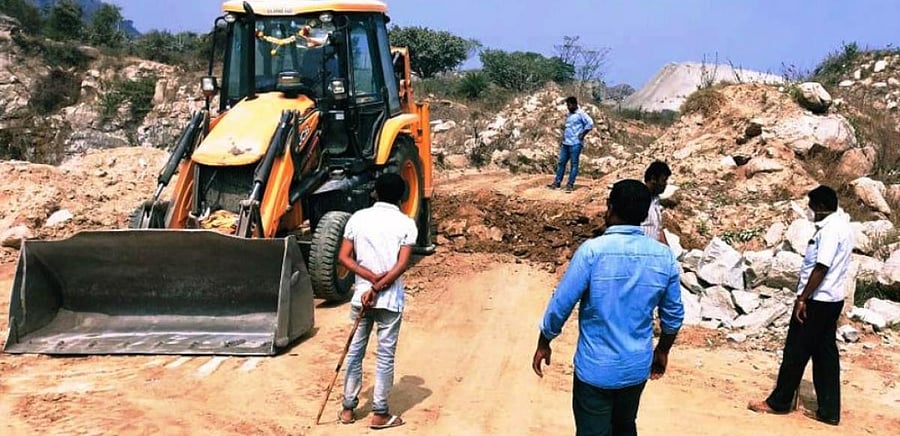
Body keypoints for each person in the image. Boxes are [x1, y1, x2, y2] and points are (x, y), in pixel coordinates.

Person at [532, 179, 684, 435]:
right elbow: (674, 316)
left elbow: (561, 305)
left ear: (610, 208)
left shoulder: (592, 252)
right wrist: (663, 350)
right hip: (636, 368)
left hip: (596, 370)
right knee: (625, 426)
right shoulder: (663, 256)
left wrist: (544, 340)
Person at [748, 186, 853, 426]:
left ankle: (780, 401)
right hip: (832, 300)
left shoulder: (828, 230)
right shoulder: (843, 226)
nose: (810, 210)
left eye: (811, 205)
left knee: (796, 350)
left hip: (817, 300)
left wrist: (803, 298)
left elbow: (821, 266)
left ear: (821, 207)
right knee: (825, 354)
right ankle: (829, 410)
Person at [337, 173, 418, 430]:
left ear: (375, 193)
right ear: (402, 197)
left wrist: (370, 280)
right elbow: (402, 264)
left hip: (361, 297)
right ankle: (379, 414)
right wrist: (380, 284)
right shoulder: (406, 223)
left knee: (354, 351)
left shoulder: (357, 218)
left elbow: (344, 257)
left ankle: (348, 409)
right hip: (390, 299)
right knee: (384, 356)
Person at [548, 96, 594, 193]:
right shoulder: (569, 114)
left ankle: (570, 185)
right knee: (561, 162)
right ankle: (557, 182)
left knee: (574, 164)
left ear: (574, 104)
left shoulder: (581, 113)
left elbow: (590, 123)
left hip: (576, 143)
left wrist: (583, 134)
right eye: (567, 105)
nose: (568, 107)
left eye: (569, 105)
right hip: (566, 143)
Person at [641, 161, 671, 245]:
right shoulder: (637, 199)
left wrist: (668, 252)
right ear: (653, 179)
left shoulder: (655, 201)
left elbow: (658, 230)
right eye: (663, 180)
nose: (665, 184)